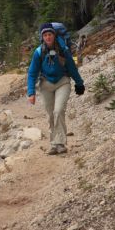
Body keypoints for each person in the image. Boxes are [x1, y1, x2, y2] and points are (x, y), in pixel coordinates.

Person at [27, 22, 85, 155]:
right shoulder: (38, 52)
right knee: (50, 115)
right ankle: (53, 144)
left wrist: (79, 83)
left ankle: (60, 143)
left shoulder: (63, 49)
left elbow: (71, 67)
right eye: (45, 35)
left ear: (54, 35)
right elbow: (32, 73)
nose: (48, 37)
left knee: (58, 111)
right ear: (42, 37)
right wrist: (31, 92)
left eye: (50, 34)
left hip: (62, 82)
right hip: (45, 85)